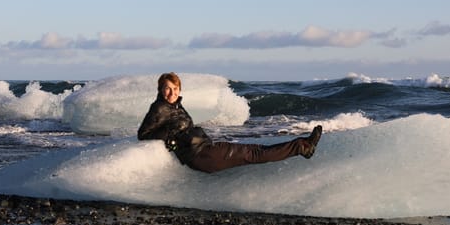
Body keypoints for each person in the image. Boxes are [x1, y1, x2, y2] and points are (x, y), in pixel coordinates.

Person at [137, 72, 323, 173]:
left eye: (175, 88)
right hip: (200, 156)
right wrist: (171, 139)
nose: (171, 93)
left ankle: (302, 145)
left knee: (254, 150)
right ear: (160, 90)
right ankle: (302, 147)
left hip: (205, 149)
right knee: (254, 153)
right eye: (167, 89)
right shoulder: (160, 108)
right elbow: (143, 134)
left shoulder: (176, 106)